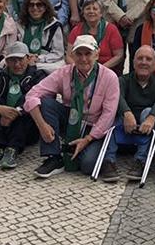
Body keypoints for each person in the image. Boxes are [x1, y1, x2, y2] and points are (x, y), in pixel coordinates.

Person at [24, 34, 120, 180]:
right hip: (71, 118)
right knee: (46, 103)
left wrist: (88, 139)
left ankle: (77, 148)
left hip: (93, 125)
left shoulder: (109, 77)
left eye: (88, 54)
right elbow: (32, 95)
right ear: (72, 55)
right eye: (79, 54)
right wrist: (42, 125)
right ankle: (54, 156)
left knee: (87, 166)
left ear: (97, 53)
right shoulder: (65, 72)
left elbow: (108, 115)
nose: (83, 59)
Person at [104, 45, 155, 181]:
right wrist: (126, 113)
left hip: (148, 125)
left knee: (148, 112)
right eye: (140, 58)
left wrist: (151, 118)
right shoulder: (122, 80)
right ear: (133, 62)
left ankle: (140, 160)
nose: (144, 62)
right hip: (125, 123)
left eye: (148, 59)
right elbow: (117, 96)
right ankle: (108, 161)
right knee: (112, 116)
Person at [0, 42, 45, 170]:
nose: (17, 65)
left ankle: (12, 149)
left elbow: (38, 95)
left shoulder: (38, 76)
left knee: (30, 106)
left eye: (20, 60)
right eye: (12, 60)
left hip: (23, 124)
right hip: (1, 120)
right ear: (7, 62)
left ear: (28, 59)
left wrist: (14, 113)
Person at [67, 0, 124, 71]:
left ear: (101, 13)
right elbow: (69, 56)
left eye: (95, 9)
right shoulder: (76, 30)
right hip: (81, 69)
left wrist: (100, 69)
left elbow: (119, 55)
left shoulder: (111, 29)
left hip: (106, 69)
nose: (91, 11)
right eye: (88, 9)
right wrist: (79, 69)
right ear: (83, 13)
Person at [19, 0, 66, 72]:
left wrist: (38, 58)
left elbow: (58, 53)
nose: (35, 8)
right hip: (22, 63)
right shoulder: (20, 25)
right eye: (31, 5)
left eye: (39, 4)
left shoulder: (54, 26)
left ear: (45, 7)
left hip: (45, 65)